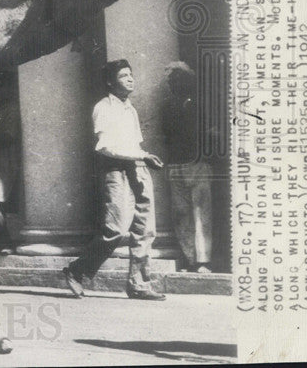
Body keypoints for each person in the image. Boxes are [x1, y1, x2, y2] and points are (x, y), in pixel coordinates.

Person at [63, 60, 166, 301]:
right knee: (116, 229)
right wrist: (142, 156)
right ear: (110, 82)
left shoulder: (131, 109)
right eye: (123, 76)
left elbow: (135, 144)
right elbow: (105, 146)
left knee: (145, 229)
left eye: (131, 74)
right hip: (116, 171)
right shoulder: (103, 107)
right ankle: (77, 270)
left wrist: (143, 159)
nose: (130, 79)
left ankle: (139, 284)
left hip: (139, 170)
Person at [162, 62, 214, 273]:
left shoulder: (201, 104)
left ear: (189, 80)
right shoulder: (168, 106)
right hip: (176, 164)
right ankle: (189, 258)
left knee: (201, 212)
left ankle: (203, 260)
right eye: (171, 80)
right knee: (181, 212)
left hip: (197, 163)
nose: (174, 83)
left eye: (178, 79)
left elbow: (210, 132)